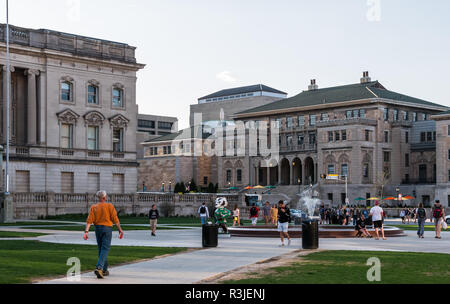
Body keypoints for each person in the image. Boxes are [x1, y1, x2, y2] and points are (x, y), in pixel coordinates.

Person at [84, 190, 124, 279]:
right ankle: (99, 267)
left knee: (101, 248)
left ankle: (104, 270)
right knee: (105, 248)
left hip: (97, 229)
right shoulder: (109, 206)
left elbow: (89, 220)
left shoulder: (94, 207)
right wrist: (120, 230)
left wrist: (86, 232)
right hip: (107, 229)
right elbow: (115, 219)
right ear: (105, 197)